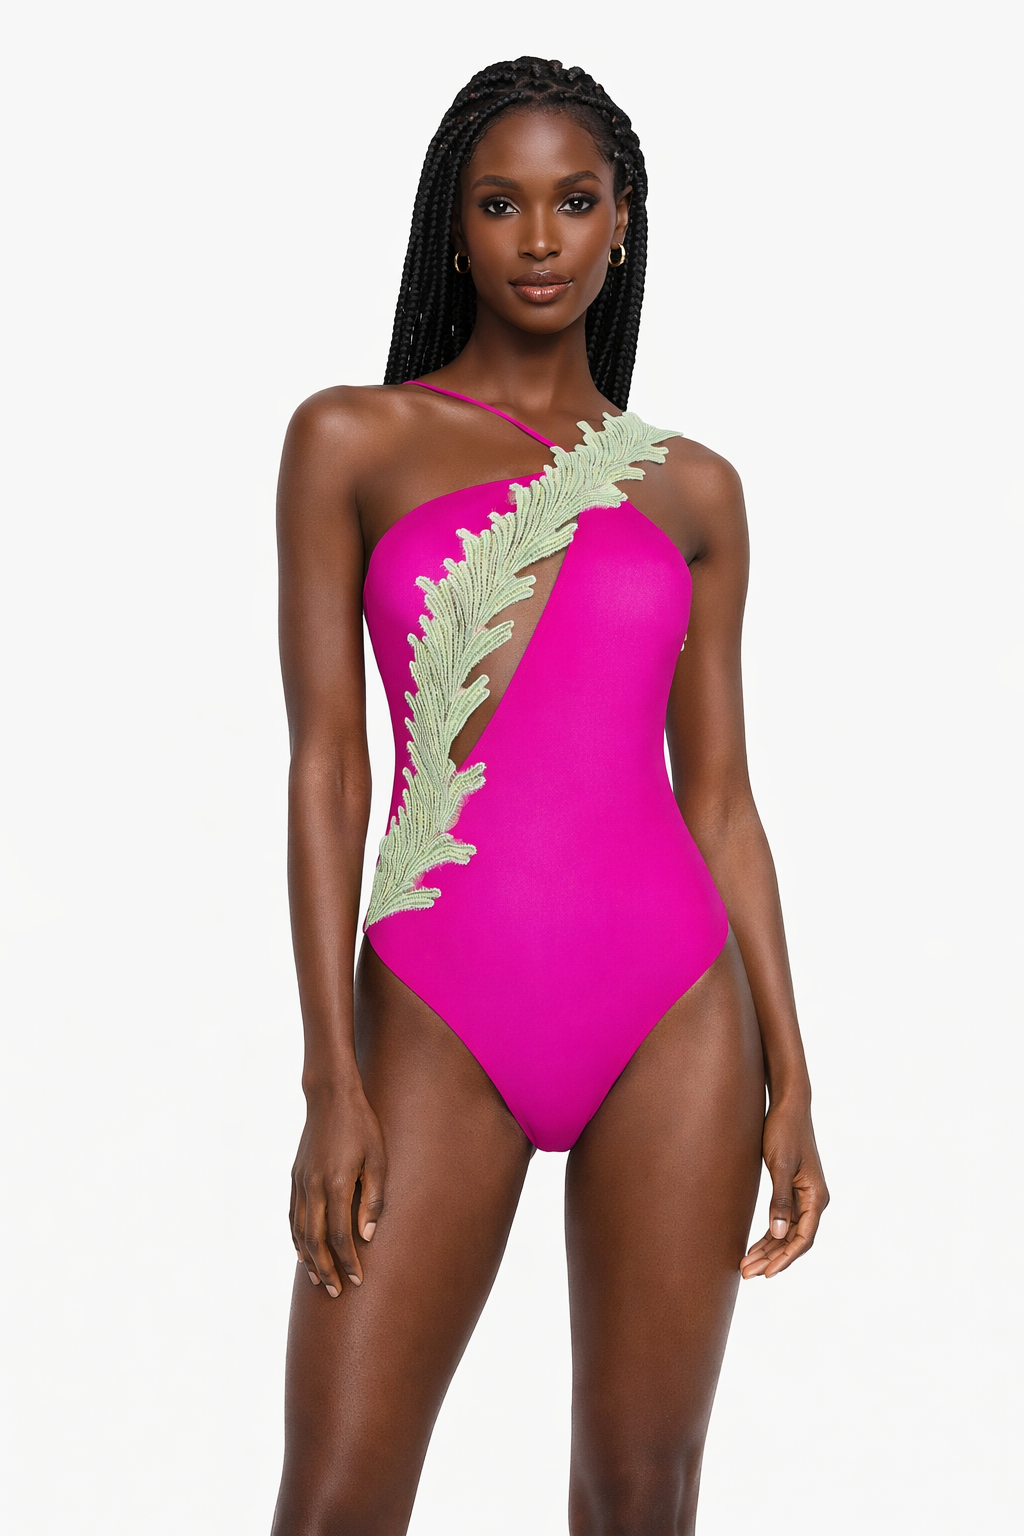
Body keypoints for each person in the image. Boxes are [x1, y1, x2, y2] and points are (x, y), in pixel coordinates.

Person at [270, 55, 828, 1536]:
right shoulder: (352, 439)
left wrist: (793, 1074)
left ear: (622, 223)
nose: (537, 240)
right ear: (451, 226)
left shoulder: (693, 489)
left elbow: (722, 801)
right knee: (334, 1501)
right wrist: (330, 1076)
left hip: (676, 1010)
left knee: (642, 1496)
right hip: (436, 1007)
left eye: (574, 203)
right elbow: (328, 765)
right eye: (499, 203)